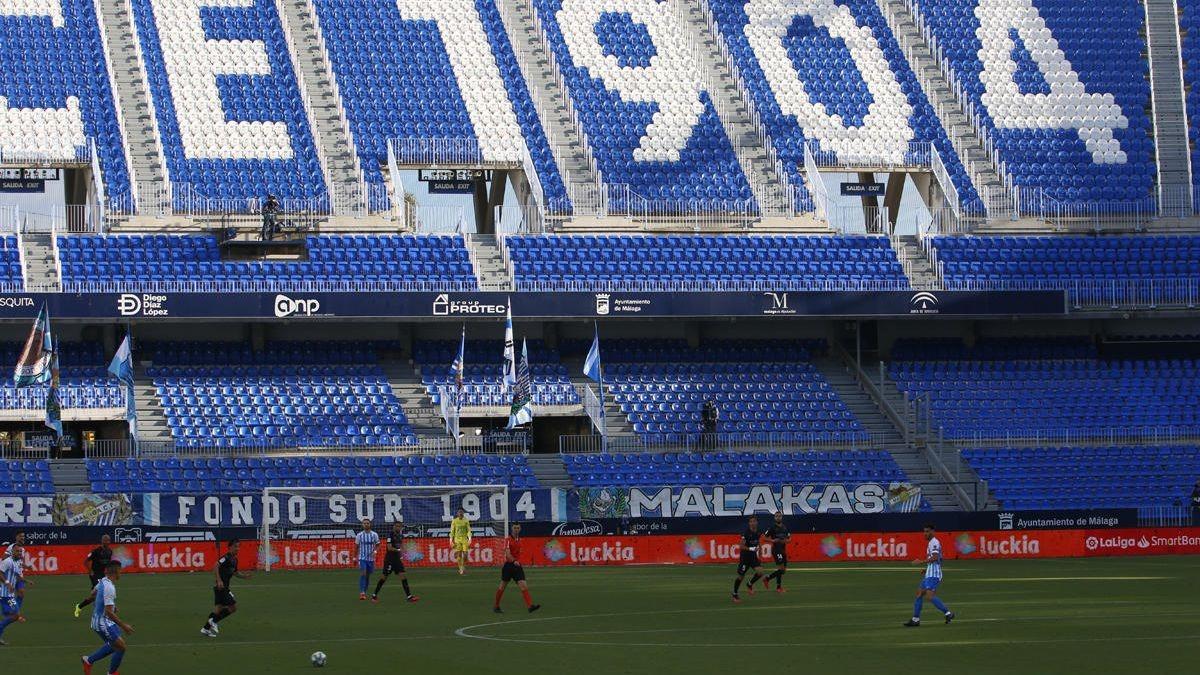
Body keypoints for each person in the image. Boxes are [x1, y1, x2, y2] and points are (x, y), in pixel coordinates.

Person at [81, 560, 133, 674]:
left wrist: (112, 606)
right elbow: (108, 612)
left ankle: (88, 660)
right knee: (121, 647)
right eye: (120, 571)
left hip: (99, 620)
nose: (121, 573)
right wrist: (124, 626)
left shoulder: (103, 581)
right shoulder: (110, 587)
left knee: (116, 645)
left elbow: (93, 595)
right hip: (102, 622)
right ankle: (109, 672)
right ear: (116, 571)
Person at [905, 524, 954, 627]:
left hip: (934, 573)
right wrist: (927, 569)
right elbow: (937, 559)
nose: (925, 533)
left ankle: (948, 613)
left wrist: (921, 561)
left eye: (927, 531)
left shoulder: (934, 542)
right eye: (924, 531)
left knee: (929, 595)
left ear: (933, 531)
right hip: (930, 572)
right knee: (919, 594)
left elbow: (935, 557)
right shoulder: (931, 543)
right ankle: (915, 619)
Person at [201, 540, 251, 637]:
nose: (237, 549)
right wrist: (219, 580)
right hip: (221, 587)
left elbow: (235, 573)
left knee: (218, 609)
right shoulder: (226, 557)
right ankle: (213, 621)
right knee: (233, 607)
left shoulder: (234, 560)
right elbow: (216, 565)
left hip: (224, 587)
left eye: (238, 547)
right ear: (230, 547)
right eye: (235, 546)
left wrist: (244, 576)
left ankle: (205, 629)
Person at [494, 524, 539, 614]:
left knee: (523, 585)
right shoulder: (508, 540)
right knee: (502, 586)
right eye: (515, 528)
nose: (516, 530)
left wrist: (517, 561)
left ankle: (530, 606)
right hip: (508, 566)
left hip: (517, 566)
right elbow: (507, 553)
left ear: (520, 529)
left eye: (518, 528)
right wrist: (514, 561)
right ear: (512, 529)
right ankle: (496, 606)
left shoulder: (519, 540)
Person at [372, 521, 418, 603]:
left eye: (399, 526)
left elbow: (401, 546)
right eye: (396, 526)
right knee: (384, 577)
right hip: (389, 559)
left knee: (403, 576)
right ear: (393, 527)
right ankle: (374, 595)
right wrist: (399, 550)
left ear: (401, 527)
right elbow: (389, 548)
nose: (398, 528)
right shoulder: (390, 535)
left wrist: (406, 554)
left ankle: (409, 596)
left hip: (397, 559)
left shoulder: (400, 536)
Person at [75, 535, 114, 617]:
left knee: (94, 596)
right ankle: (100, 611)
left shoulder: (110, 552)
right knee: (100, 592)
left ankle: (79, 606)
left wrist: (109, 573)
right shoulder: (96, 551)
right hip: (95, 575)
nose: (107, 542)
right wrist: (91, 571)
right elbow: (86, 561)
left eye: (108, 541)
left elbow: (108, 564)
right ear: (102, 541)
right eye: (105, 540)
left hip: (104, 575)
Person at [732, 515, 763, 603]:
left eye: (754, 521)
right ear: (749, 523)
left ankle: (749, 584)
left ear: (757, 522)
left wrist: (760, 556)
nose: (753, 523)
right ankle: (735, 593)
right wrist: (750, 548)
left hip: (753, 557)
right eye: (751, 521)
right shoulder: (745, 533)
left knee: (760, 572)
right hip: (745, 557)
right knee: (741, 576)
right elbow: (741, 546)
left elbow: (759, 543)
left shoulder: (759, 531)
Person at [0, 545, 27, 645]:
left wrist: (27, 581)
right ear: (12, 552)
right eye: (17, 551)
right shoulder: (7, 561)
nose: (19, 553)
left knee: (14, 615)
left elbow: (16, 575)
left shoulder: (17, 562)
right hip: (4, 594)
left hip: (9, 594)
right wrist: (7, 583)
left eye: (20, 551)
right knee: (15, 615)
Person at [760, 511, 790, 593]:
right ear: (774, 518)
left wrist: (786, 541)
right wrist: (772, 540)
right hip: (776, 550)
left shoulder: (784, 527)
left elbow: (789, 538)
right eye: (776, 516)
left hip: (783, 550)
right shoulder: (772, 527)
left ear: (782, 517)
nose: (778, 517)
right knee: (781, 568)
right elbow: (763, 538)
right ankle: (775, 585)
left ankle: (771, 582)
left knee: (782, 571)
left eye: (779, 516)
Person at [355, 519, 381, 600]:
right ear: (362, 525)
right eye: (364, 523)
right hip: (362, 558)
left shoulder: (374, 534)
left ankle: (364, 592)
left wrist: (375, 551)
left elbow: (378, 544)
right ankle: (362, 593)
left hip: (371, 559)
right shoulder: (359, 535)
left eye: (367, 523)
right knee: (363, 573)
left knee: (367, 576)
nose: (366, 524)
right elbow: (356, 547)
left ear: (370, 524)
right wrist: (354, 558)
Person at [3, 532, 28, 613]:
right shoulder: (11, 547)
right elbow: (4, 558)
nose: (22, 538)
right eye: (21, 536)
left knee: (21, 593)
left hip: (19, 574)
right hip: (12, 575)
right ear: (16, 537)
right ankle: (10, 610)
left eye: (23, 536)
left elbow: (19, 561)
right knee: (8, 594)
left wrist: (26, 566)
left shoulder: (22, 549)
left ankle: (15, 611)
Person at [450, 508, 472, 575]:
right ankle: (461, 568)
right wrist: (451, 540)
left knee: (465, 555)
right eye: (459, 512)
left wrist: (470, 538)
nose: (460, 513)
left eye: (461, 512)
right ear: (457, 514)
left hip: (465, 539)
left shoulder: (466, 521)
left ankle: (463, 566)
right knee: (459, 554)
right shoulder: (454, 521)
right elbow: (452, 531)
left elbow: (468, 530)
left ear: (463, 513)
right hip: (457, 539)